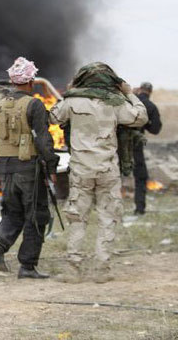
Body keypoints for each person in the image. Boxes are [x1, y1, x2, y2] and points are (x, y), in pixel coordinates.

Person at [49, 62, 148, 283]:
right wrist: (130, 93)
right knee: (107, 217)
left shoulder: (72, 101)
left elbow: (53, 117)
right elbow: (140, 117)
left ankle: (74, 268)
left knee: (78, 217)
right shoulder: (116, 102)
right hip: (107, 169)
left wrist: (69, 91)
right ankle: (102, 269)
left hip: (81, 169)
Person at [0, 57, 59, 279]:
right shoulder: (34, 104)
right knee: (36, 215)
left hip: (5, 168)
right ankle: (27, 266)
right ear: (30, 80)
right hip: (28, 168)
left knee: (12, 212)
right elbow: (43, 141)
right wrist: (51, 165)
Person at [133, 82, 162, 215]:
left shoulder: (128, 101)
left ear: (140, 90)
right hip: (135, 145)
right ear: (150, 92)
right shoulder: (150, 106)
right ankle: (139, 209)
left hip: (116, 145)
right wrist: (147, 123)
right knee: (140, 177)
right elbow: (155, 129)